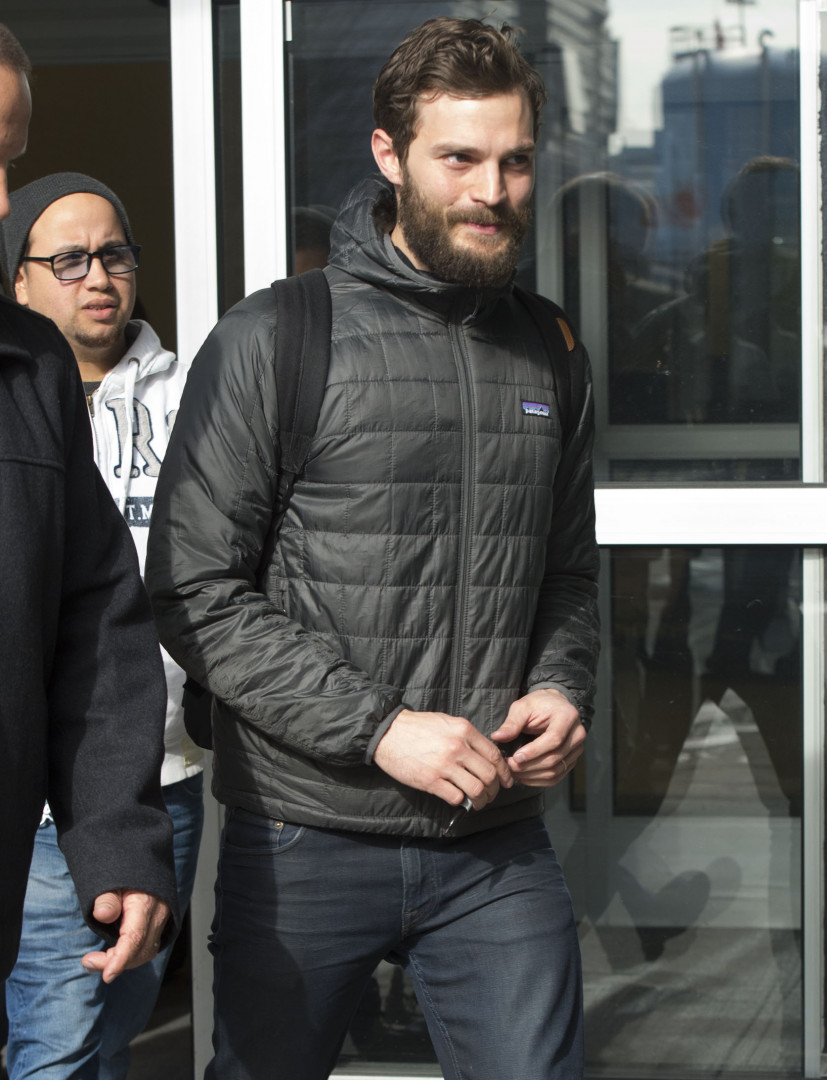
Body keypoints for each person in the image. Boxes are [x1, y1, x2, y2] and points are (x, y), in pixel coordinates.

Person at [147, 16, 599, 1080]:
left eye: (515, 161)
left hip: (492, 840)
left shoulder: (550, 347)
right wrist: (380, 730)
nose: (493, 191)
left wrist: (559, 685)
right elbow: (194, 588)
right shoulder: (275, 336)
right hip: (303, 834)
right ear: (388, 155)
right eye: (460, 159)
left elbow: (566, 572)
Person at [0, 170, 205, 1080]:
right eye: (69, 260)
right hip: (46, 796)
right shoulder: (22, 391)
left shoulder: (194, 394)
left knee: (117, 1025)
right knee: (61, 1043)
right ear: (18, 280)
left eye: (114, 255)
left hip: (165, 775)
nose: (98, 277)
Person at [0, 21, 177, 995]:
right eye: (68, 260)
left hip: (128, 789)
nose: (1, 199)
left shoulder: (31, 376)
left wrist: (114, 831)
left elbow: (98, 617)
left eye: (10, 161)